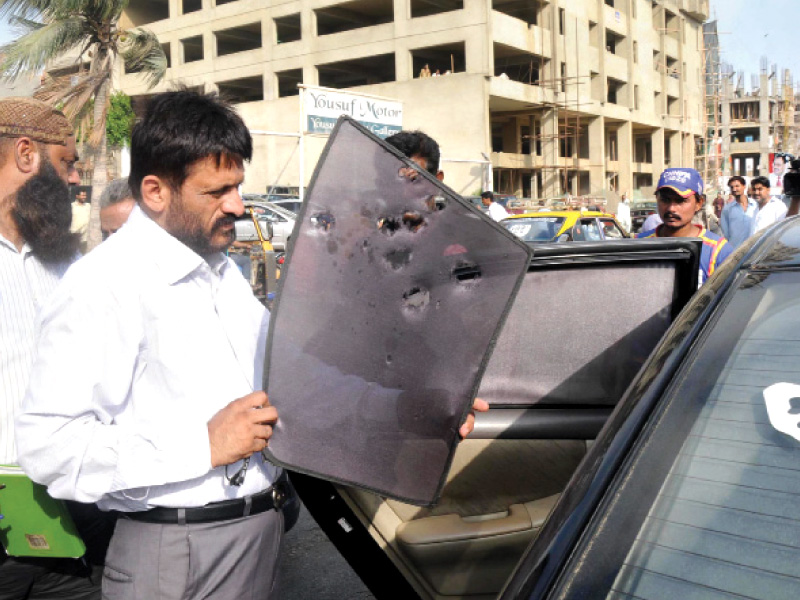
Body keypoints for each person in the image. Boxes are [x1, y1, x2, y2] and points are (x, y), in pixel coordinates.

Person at [17, 93, 486, 600]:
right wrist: (202, 445)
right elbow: (51, 447)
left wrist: (398, 408)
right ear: (155, 191)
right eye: (217, 191)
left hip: (256, 534)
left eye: (238, 186)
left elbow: (295, 382)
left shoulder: (219, 274)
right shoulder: (102, 287)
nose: (238, 206)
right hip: (179, 554)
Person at [0, 97, 106, 599]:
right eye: (65, 162)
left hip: (71, 516)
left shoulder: (62, 262)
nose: (72, 180)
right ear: (26, 154)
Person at [638, 168, 733, 286]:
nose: (671, 208)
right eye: (665, 200)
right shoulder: (638, 244)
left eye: (680, 201)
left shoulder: (718, 251)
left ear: (699, 203)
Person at [720, 175, 757, 250]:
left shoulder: (755, 206)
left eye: (737, 186)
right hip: (735, 250)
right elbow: (726, 233)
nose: (734, 189)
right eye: (732, 187)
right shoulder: (727, 209)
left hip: (753, 250)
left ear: (744, 186)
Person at [70, 187, 90, 253]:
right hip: (74, 238)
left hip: (85, 239)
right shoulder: (71, 206)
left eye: (85, 195)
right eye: (82, 195)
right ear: (77, 196)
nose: (84, 197)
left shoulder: (88, 206)